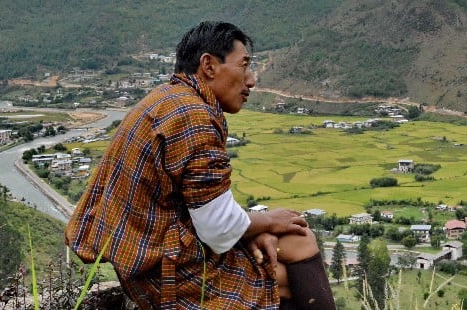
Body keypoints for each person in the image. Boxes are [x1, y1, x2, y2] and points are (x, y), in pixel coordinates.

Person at [65, 21, 335, 310]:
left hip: (153, 252)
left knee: (295, 239)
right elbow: (218, 229)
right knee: (284, 273)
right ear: (209, 65)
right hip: (166, 272)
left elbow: (205, 209)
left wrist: (254, 231)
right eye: (244, 66)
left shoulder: (168, 98)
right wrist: (267, 221)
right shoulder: (193, 117)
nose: (252, 80)